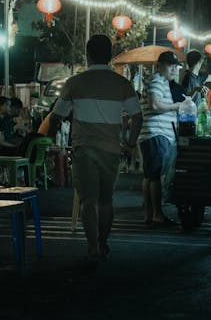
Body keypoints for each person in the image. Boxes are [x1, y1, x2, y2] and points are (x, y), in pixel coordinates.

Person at [47, 34, 142, 263]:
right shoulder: (122, 84)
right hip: (111, 149)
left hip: (83, 149)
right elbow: (137, 118)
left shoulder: (75, 83)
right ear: (109, 56)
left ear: (88, 55)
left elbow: (55, 117)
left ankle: (92, 248)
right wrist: (129, 144)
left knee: (88, 201)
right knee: (106, 200)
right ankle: (103, 242)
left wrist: (50, 143)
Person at [139, 50, 183, 228]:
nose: (174, 69)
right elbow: (155, 104)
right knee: (155, 176)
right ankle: (157, 214)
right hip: (156, 133)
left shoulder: (159, 81)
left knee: (150, 175)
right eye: (170, 65)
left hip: (152, 134)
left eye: (175, 66)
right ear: (160, 66)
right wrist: (176, 106)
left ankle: (150, 214)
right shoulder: (157, 80)